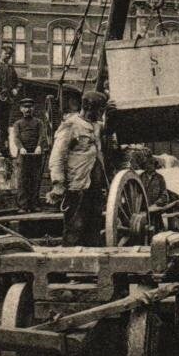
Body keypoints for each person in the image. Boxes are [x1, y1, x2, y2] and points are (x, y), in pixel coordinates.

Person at [46, 91, 109, 246]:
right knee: (75, 229)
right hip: (77, 187)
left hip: (94, 188)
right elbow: (57, 156)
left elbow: (107, 128)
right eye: (100, 110)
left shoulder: (96, 125)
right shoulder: (70, 125)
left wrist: (113, 113)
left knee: (94, 230)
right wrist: (58, 184)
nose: (102, 114)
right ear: (89, 108)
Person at [12, 98, 49, 213]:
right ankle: (23, 206)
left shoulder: (39, 122)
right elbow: (16, 138)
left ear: (33, 108)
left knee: (35, 178)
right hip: (23, 154)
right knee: (22, 179)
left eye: (30, 107)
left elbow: (42, 135)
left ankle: (34, 204)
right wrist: (21, 148)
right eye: (25, 107)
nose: (28, 109)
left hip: (36, 154)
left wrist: (39, 146)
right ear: (21, 109)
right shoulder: (17, 124)